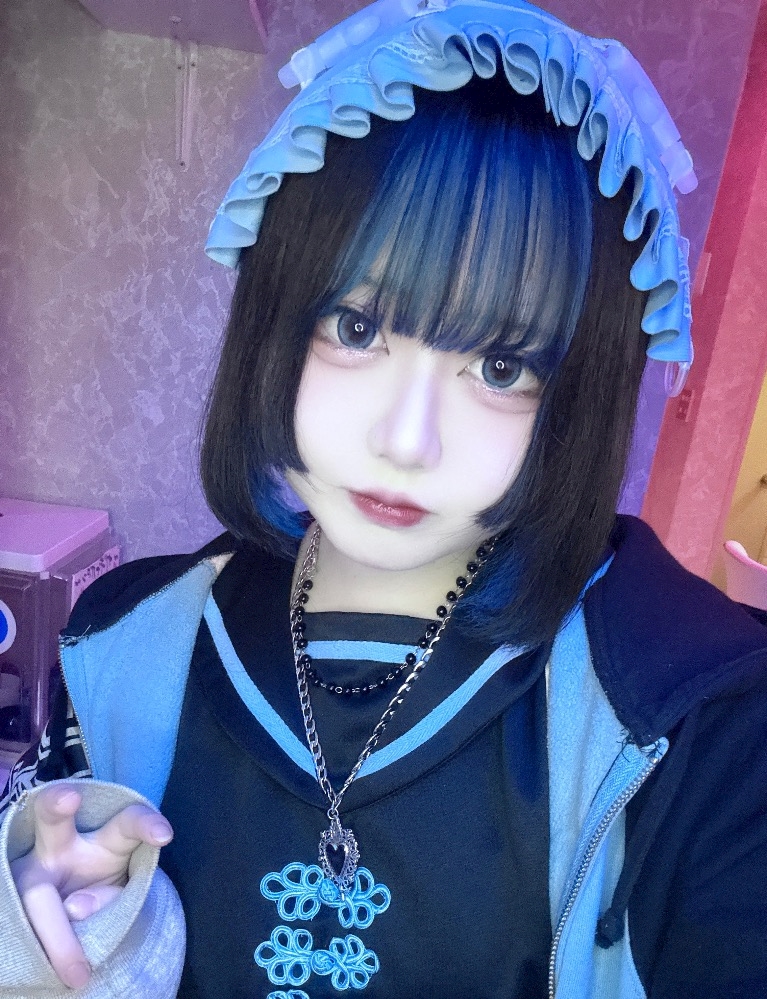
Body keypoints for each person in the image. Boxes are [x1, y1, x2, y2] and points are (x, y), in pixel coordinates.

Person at [2, 1, 766, 997]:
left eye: (500, 366)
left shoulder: (699, 720)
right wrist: (48, 941)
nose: (406, 441)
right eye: (358, 328)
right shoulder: (122, 642)